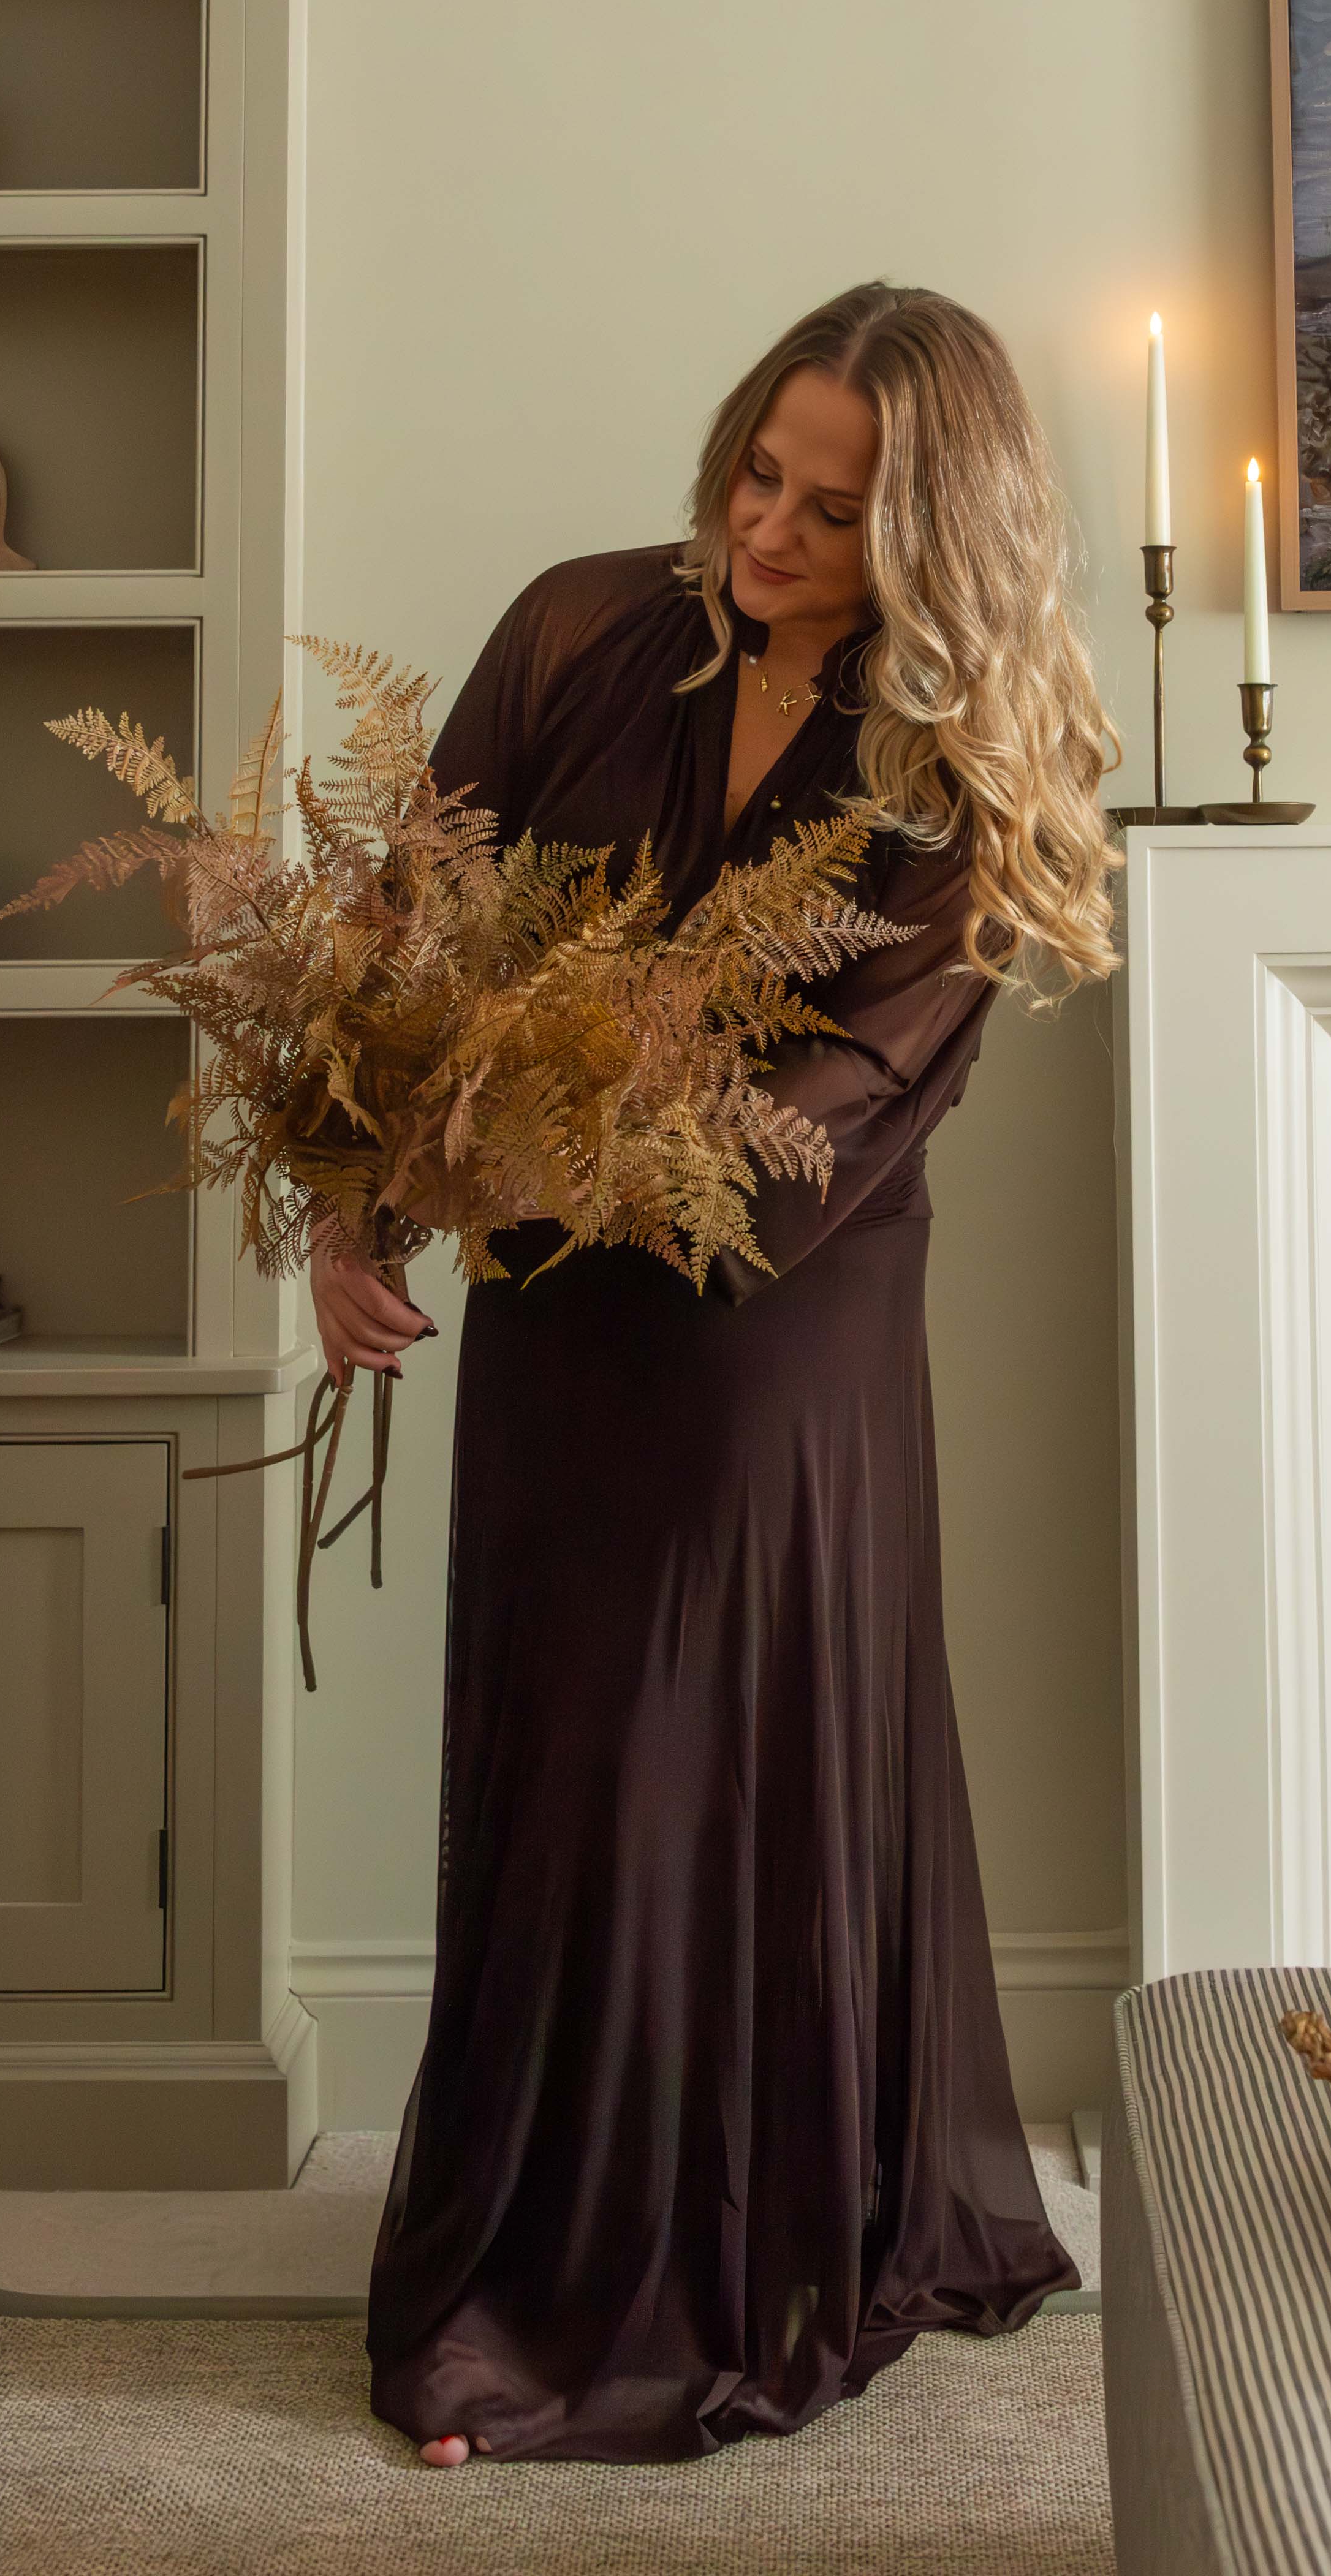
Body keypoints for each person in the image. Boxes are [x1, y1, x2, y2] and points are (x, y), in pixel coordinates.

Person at [314, 281, 1118, 2466]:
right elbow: (401, 940)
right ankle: (519, 2250)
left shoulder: (963, 769)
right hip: (554, 1319)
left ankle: (674, 2286)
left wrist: (518, 1143)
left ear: (935, 542)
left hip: (783, 1336)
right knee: (561, 1761)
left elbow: (818, 1133)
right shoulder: (581, 628)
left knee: (703, 1763)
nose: (767, 532)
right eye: (759, 473)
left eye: (836, 512)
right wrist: (350, 1204)